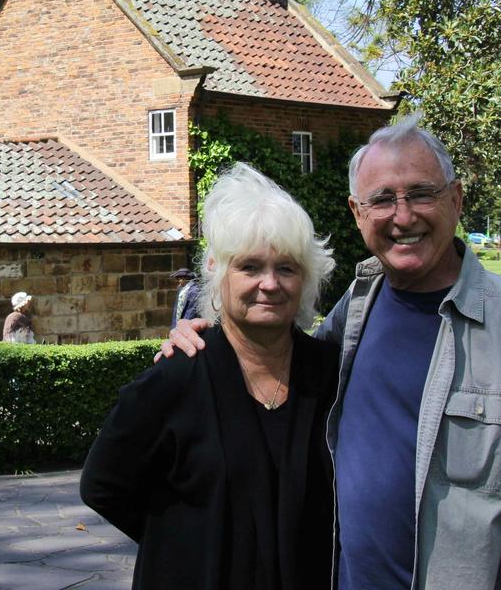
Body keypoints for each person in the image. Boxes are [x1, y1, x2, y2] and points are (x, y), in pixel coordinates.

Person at [161, 115, 501, 589]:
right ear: (358, 213)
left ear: (457, 199)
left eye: (422, 193)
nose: (403, 217)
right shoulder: (355, 309)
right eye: (381, 200)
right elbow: (272, 366)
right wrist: (203, 338)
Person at [81, 163, 340, 589]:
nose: (270, 284)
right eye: (250, 267)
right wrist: (182, 543)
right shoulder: (176, 379)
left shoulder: (330, 374)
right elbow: (102, 485)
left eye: (287, 268)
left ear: (306, 279)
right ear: (219, 273)